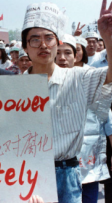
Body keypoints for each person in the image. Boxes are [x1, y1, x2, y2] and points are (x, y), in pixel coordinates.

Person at [21, 0, 112, 202]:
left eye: (49, 38)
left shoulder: (78, 77)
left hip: (68, 172)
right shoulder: (14, 89)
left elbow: (110, 75)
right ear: (25, 47)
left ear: (57, 42)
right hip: (28, 173)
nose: (43, 45)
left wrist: (107, 37)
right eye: (35, 39)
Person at [56, 33, 112, 203]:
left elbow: (106, 118)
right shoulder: (41, 83)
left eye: (68, 53)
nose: (62, 58)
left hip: (87, 162)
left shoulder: (89, 80)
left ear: (76, 56)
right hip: (55, 168)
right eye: (57, 53)